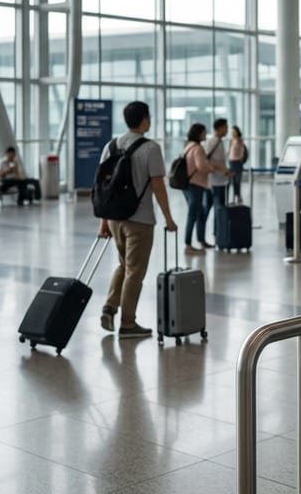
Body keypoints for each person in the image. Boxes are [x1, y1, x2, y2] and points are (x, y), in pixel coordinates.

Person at [97, 101, 178, 339]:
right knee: (135, 271)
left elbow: (103, 186)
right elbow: (157, 185)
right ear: (144, 120)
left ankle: (110, 307)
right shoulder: (151, 148)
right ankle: (128, 323)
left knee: (124, 265)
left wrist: (103, 221)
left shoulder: (111, 145)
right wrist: (169, 219)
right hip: (139, 220)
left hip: (114, 218)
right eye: (149, 117)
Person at [180, 123, 228, 254]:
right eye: (203, 132)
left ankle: (201, 240)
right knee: (193, 214)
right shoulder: (197, 148)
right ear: (199, 133)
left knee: (200, 213)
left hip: (188, 184)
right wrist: (213, 169)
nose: (205, 135)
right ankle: (188, 245)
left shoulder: (188, 146)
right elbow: (202, 166)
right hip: (196, 184)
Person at [203, 118, 233, 230]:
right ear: (219, 128)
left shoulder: (220, 141)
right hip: (214, 182)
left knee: (218, 209)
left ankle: (218, 233)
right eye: (225, 127)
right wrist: (222, 169)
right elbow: (206, 161)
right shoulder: (213, 141)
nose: (227, 129)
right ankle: (214, 233)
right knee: (217, 208)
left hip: (220, 181)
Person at [227, 126, 247, 204]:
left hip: (237, 162)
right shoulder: (231, 141)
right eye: (232, 132)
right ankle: (234, 197)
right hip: (231, 162)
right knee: (231, 181)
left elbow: (242, 151)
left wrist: (241, 159)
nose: (232, 133)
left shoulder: (240, 141)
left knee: (237, 181)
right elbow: (229, 151)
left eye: (234, 131)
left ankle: (238, 196)